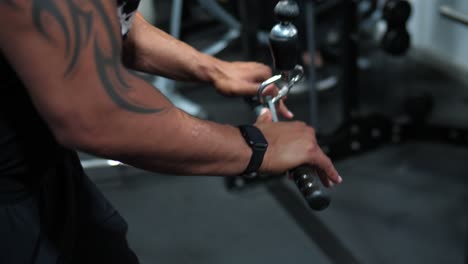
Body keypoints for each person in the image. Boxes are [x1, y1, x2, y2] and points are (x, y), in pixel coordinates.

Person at [0, 0, 342, 263]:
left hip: (43, 170)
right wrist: (257, 146)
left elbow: (97, 20)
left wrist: (211, 68)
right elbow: (95, 116)